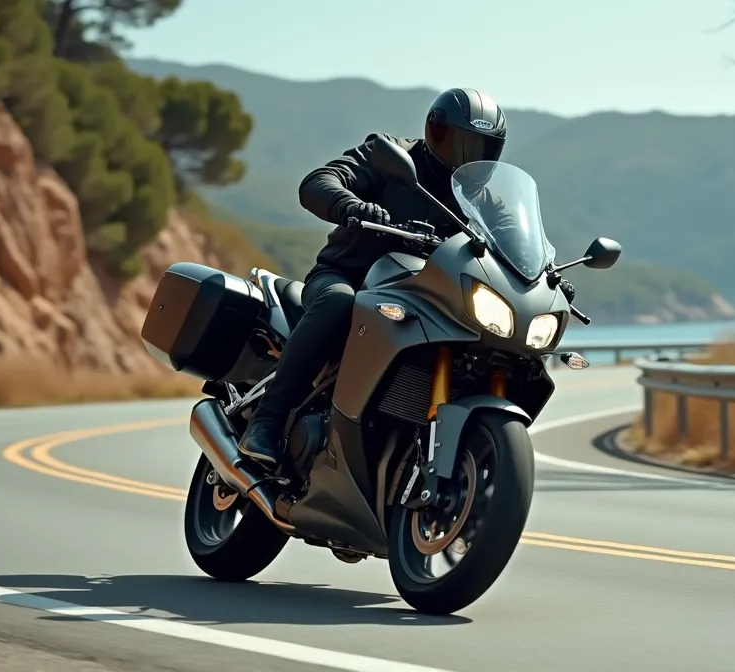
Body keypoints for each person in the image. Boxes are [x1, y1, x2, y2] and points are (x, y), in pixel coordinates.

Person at [236, 87, 574, 469]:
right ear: (434, 132)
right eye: (458, 142)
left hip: (423, 298)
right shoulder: (390, 158)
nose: (468, 156)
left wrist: (544, 277)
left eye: (481, 147)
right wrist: (351, 204)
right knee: (338, 303)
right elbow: (319, 181)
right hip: (351, 277)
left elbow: (515, 246)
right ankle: (267, 421)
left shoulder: (486, 202)